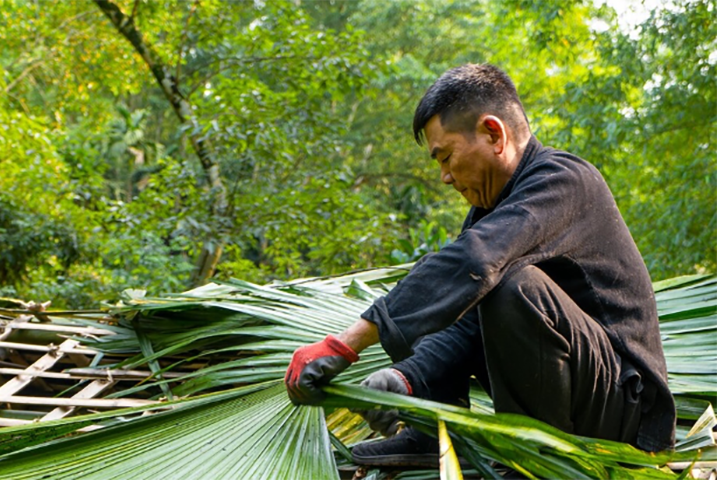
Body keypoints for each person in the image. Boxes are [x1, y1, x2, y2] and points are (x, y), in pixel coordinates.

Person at [284, 64, 675, 467]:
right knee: (448, 287)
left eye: (446, 157)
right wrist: (407, 379)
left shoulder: (565, 179)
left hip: (628, 412)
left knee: (500, 283)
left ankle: (532, 464)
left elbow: (475, 261)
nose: (444, 177)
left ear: (494, 133)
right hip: (581, 389)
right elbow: (463, 317)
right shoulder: (489, 210)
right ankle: (433, 434)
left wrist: (343, 345)